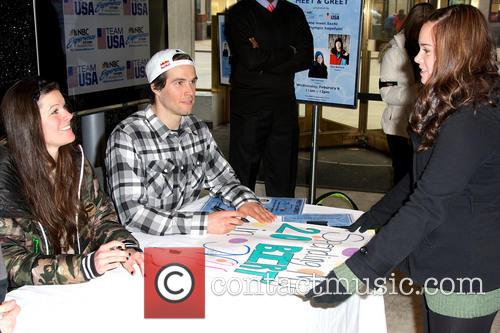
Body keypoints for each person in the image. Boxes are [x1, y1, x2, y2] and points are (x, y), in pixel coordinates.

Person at [306, 5, 500, 332]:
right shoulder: (455, 100)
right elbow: (419, 177)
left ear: (456, 53)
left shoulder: (474, 118)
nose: (416, 59)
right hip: (441, 258)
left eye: (426, 50)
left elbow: (426, 203)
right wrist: (370, 220)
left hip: (466, 267)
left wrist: (356, 273)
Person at [106, 49, 275, 236]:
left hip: (188, 236)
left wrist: (245, 201)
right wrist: (203, 224)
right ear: (156, 87)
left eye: (193, 82)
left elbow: (224, 179)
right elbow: (133, 215)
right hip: (143, 241)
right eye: (179, 83)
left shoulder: (197, 128)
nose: (190, 91)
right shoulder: (127, 136)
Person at [0, 77, 144, 289]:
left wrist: (127, 247)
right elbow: (11, 262)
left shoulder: (75, 159)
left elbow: (101, 216)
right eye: (55, 111)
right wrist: (84, 266)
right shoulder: (6, 177)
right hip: (28, 299)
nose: (68, 115)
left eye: (64, 107)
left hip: (79, 289)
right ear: (27, 124)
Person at [225, 0, 313, 197]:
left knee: (284, 175)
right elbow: (250, 59)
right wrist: (290, 51)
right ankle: (240, 221)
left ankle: (282, 222)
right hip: (249, 106)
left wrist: (263, 63)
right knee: (243, 174)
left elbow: (306, 57)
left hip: (284, 105)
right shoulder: (239, 12)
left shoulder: (293, 12)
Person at [379, 3, 434, 185]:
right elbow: (386, 93)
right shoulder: (394, 53)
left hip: (425, 125)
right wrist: (418, 91)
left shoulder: (431, 50)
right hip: (399, 128)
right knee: (403, 178)